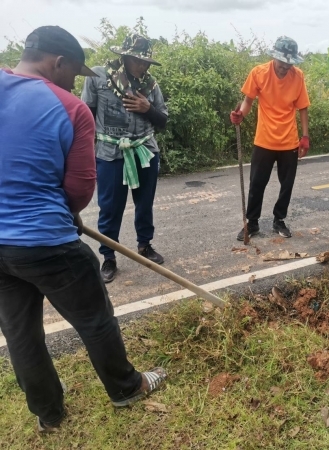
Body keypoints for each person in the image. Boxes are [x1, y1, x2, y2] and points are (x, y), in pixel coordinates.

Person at [0, 26, 166, 432]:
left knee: (20, 332)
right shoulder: (71, 107)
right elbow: (78, 190)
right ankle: (127, 388)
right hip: (44, 239)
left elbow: (161, 118)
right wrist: (63, 212)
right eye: (74, 72)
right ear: (58, 63)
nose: (75, 81)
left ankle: (49, 415)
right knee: (94, 317)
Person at [82, 34, 168, 283]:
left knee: (145, 203)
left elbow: (162, 120)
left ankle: (145, 245)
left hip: (145, 151)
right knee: (110, 208)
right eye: (138, 60)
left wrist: (147, 109)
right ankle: (109, 256)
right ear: (125, 56)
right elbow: (86, 117)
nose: (144, 66)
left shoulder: (150, 85)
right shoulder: (98, 77)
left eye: (146, 61)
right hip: (110, 154)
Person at [230, 36, 310, 241]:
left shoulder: (297, 76)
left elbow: (302, 108)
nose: (285, 68)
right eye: (282, 63)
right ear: (274, 57)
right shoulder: (259, 73)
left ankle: (279, 220)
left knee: (287, 184)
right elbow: (248, 101)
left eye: (288, 64)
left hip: (289, 140)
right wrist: (241, 115)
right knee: (257, 183)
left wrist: (305, 136)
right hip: (264, 139)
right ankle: (252, 223)